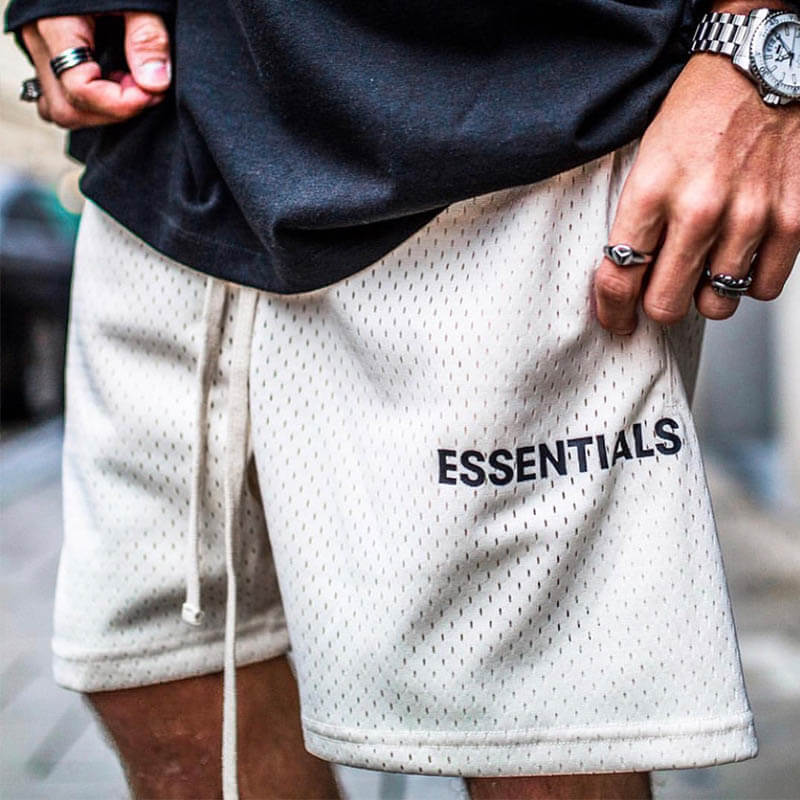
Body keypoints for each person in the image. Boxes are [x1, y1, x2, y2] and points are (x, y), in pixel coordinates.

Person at [5, 0, 799, 798]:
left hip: (522, 122)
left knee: (539, 734)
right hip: (168, 131)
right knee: (157, 686)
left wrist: (760, 50)